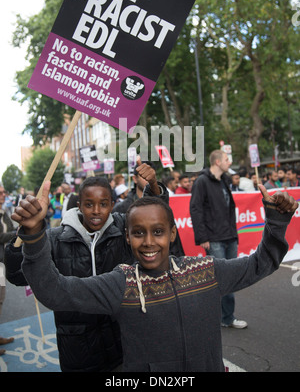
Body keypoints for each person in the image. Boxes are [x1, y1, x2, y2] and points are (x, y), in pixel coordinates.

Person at [9, 183, 297, 372]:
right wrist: (34, 237)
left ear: (172, 234)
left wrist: (276, 222)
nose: (148, 242)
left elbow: (261, 263)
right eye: (138, 233)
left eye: (158, 231)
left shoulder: (205, 272)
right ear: (127, 237)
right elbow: (54, 291)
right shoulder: (120, 284)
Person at [4, 159, 165, 372]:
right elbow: (18, 275)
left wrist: (154, 185)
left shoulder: (122, 229)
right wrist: (29, 232)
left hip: (122, 343)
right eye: (89, 204)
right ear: (79, 205)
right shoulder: (55, 238)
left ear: (112, 204)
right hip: (78, 349)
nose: (96, 211)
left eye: (103, 204)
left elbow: (151, 213)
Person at [190, 150, 247, 328]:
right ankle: (225, 317)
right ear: (216, 162)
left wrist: (234, 235)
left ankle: (224, 316)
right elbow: (196, 209)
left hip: (229, 236)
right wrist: (203, 237)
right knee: (221, 278)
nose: (229, 162)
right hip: (214, 239)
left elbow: (229, 209)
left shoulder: (224, 180)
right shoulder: (202, 182)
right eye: (226, 159)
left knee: (229, 277)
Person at [0, 185, 16, 355]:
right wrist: (14, 234)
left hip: (2, 263)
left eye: (4, 192)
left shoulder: (3, 212)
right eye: (0, 193)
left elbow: (11, 228)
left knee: (0, 298)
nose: (3, 195)